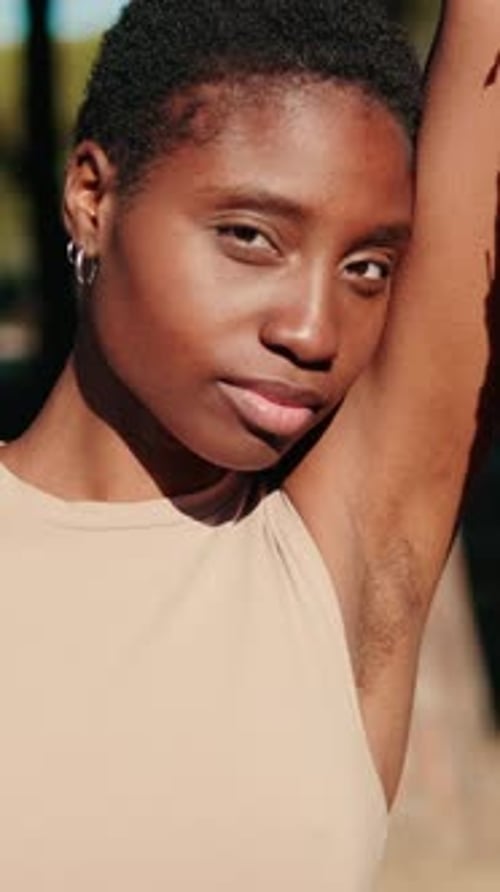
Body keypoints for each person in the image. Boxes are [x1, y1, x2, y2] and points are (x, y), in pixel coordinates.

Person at [0, 0, 498, 889]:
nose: (313, 330)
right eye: (251, 237)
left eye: (367, 269)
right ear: (92, 198)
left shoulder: (341, 566)